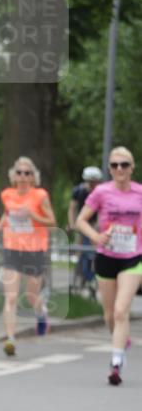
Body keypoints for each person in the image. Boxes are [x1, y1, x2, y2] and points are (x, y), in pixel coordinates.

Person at [76, 147, 142, 386]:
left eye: (124, 164)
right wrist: (96, 236)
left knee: (122, 310)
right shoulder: (102, 192)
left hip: (133, 257)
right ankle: (120, 338)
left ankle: (116, 363)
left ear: (132, 167)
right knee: (109, 315)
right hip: (106, 256)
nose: (119, 169)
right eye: (114, 165)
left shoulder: (139, 192)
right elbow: (80, 220)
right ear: (109, 169)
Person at [0, 156, 56, 356]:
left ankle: (41, 313)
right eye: (19, 172)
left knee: (31, 296)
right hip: (12, 248)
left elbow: (52, 222)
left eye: (27, 173)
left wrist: (33, 215)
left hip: (35, 250)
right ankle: (10, 339)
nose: (23, 176)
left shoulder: (40, 195)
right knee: (10, 297)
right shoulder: (7, 194)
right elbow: (7, 214)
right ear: (14, 175)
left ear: (33, 177)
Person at [68, 166, 103, 289]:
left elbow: (102, 210)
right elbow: (72, 208)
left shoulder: (100, 192)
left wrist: (98, 226)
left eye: (94, 181)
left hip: (94, 223)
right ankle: (78, 276)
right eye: (89, 181)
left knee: (94, 250)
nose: (92, 184)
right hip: (81, 222)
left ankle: (93, 277)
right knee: (80, 248)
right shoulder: (78, 191)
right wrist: (72, 224)